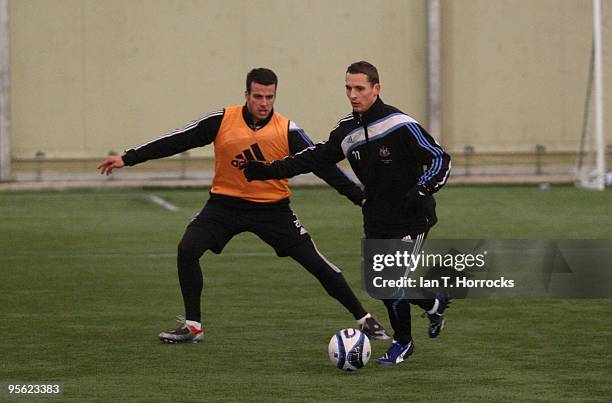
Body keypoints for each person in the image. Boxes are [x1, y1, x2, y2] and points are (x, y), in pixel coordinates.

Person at [97, 68, 389, 344]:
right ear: (246, 94)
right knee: (187, 248)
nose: (264, 103)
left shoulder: (287, 129)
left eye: (269, 97)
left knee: (316, 262)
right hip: (224, 206)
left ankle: (364, 318)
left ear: (275, 96)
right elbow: (177, 140)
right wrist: (128, 158)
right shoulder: (223, 119)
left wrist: (358, 196)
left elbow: (323, 165)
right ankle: (193, 326)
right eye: (258, 96)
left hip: (273, 209)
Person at [244, 61, 452, 365]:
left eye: (360, 88)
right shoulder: (347, 131)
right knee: (385, 285)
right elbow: (315, 158)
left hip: (412, 216)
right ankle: (434, 303)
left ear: (376, 89)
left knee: (393, 282)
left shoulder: (400, 124)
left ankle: (403, 343)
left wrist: (422, 188)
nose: (353, 94)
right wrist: (268, 171)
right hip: (377, 217)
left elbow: (439, 158)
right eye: (348, 88)